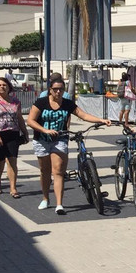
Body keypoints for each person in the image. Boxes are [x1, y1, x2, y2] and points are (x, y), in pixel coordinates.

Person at [26, 76, 111, 215]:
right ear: (50, 90)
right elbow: (30, 120)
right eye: (55, 89)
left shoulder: (67, 103)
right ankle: (45, 198)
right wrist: (45, 130)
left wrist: (101, 120)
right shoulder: (41, 102)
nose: (58, 92)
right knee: (45, 171)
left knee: (58, 171)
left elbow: (83, 115)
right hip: (42, 140)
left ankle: (59, 204)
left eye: (61, 89)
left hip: (60, 139)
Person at [0, 78, 29, 197]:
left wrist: (24, 131)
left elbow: (19, 117)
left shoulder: (15, 101)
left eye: (4, 85)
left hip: (13, 133)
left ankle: (13, 188)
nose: (2, 87)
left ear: (9, 87)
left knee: (12, 160)